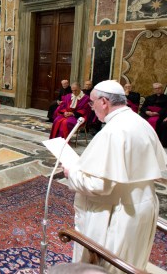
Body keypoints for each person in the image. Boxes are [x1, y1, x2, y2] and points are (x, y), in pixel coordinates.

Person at [62, 80, 166, 273]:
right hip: (145, 205)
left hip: (120, 213)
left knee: (112, 266)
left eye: (92, 103)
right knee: (134, 261)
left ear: (104, 102)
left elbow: (98, 185)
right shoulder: (140, 123)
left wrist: (71, 173)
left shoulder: (112, 132)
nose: (91, 108)